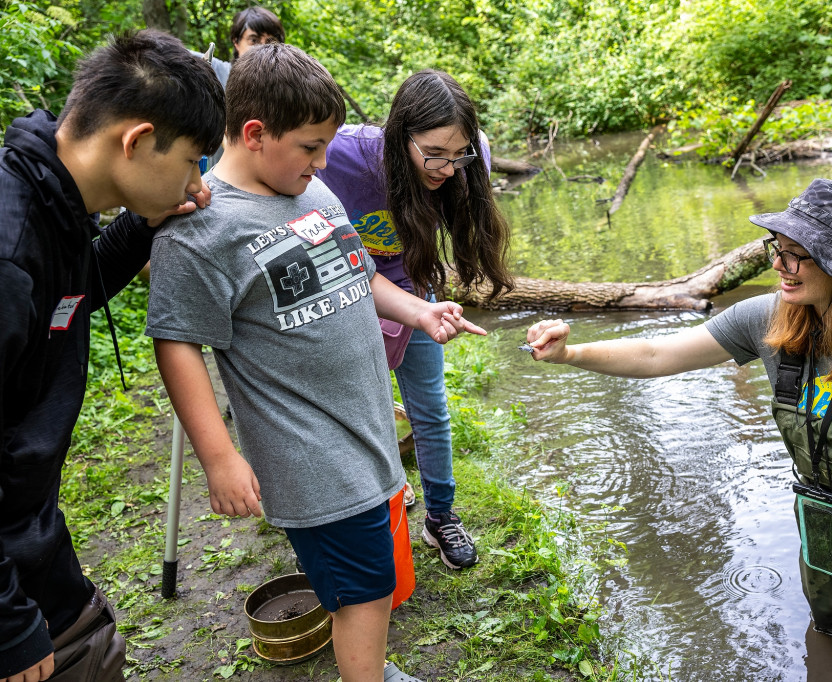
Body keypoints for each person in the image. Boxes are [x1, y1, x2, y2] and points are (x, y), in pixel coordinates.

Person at [525, 178, 832, 680]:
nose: (779, 266)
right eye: (777, 250)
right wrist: (571, 353)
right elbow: (659, 355)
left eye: (797, 255)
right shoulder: (769, 320)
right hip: (827, 538)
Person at [145, 44, 483, 682]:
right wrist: (219, 457)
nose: (324, 161)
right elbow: (176, 341)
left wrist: (417, 313)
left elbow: (355, 273)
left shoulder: (309, 187)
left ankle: (372, 670)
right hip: (310, 451)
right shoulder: (203, 229)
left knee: (375, 579)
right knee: (364, 589)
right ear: (254, 134)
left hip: (366, 429)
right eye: (310, 146)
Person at [0, 30, 224, 682]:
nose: (195, 182)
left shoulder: (51, 203)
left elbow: (66, 298)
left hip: (30, 535)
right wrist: (10, 626)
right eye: (188, 161)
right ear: (135, 140)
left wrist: (145, 220)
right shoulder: (11, 247)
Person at [318, 69, 514, 570]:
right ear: (398, 133)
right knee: (359, 407)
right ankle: (378, 499)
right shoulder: (339, 155)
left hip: (416, 291)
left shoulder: (471, 155)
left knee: (430, 409)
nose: (447, 169)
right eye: (434, 154)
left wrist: (425, 306)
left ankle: (441, 516)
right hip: (345, 292)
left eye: (458, 155)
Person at [199, 6, 286, 88]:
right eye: (254, 41)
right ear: (236, 42)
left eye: (270, 42)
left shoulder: (285, 84)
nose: (263, 48)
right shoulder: (216, 71)